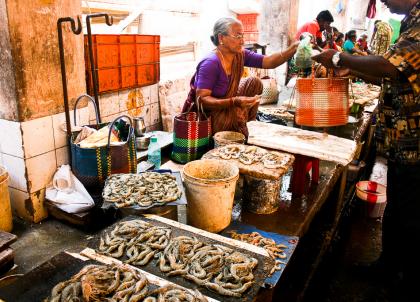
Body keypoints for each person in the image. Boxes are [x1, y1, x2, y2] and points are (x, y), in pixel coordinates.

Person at [312, 0, 419, 299]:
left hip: (416, 141)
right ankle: (387, 266)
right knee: (398, 208)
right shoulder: (411, 20)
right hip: (403, 141)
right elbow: (392, 75)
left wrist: (338, 59)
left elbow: (390, 65)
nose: (381, 1)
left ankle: (406, 282)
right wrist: (349, 66)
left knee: (412, 216)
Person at [182, 17, 298, 137]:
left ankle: (248, 122)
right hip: (209, 114)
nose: (242, 41)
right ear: (221, 38)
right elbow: (202, 100)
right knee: (233, 124)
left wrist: (293, 48)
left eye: (242, 36)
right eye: (237, 36)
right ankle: (231, 127)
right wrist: (234, 102)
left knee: (254, 82)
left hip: (227, 104)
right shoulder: (210, 63)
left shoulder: (240, 54)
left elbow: (269, 62)